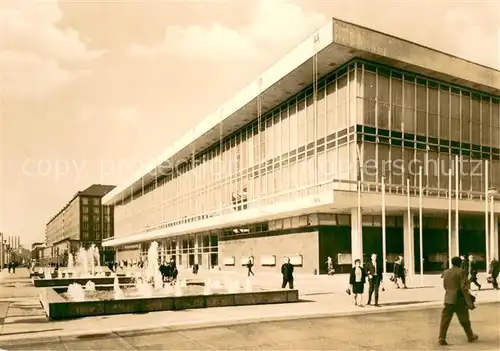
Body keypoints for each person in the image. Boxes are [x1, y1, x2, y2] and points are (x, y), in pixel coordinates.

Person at [438, 256, 478, 346]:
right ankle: (470, 336)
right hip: (459, 299)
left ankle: (442, 337)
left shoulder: (446, 272)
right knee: (464, 319)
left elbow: (445, 286)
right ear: (460, 263)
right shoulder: (461, 272)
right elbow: (464, 288)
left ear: (452, 263)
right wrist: (469, 303)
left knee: (445, 320)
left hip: (448, 299)